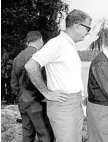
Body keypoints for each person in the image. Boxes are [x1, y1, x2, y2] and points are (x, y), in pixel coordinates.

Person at [24, 9, 92, 142]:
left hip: (74, 103)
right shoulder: (57, 43)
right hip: (63, 106)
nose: (88, 33)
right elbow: (31, 66)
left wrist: (82, 96)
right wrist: (47, 92)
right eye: (87, 29)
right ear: (77, 25)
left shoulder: (69, 45)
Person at [11, 31, 54, 142]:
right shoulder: (39, 56)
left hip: (23, 101)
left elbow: (14, 85)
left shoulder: (17, 58)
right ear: (40, 40)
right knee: (45, 135)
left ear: (27, 42)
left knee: (27, 134)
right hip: (37, 101)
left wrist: (21, 97)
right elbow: (45, 79)